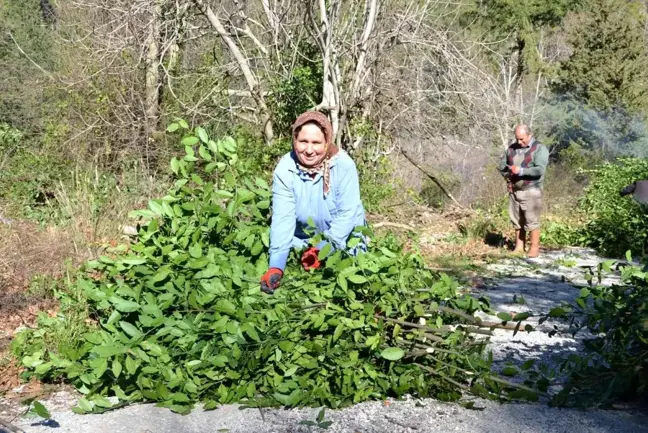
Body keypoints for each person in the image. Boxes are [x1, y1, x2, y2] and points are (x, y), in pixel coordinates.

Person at [260, 111, 366, 294]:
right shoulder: (285, 169)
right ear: (294, 140)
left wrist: (322, 250)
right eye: (303, 142)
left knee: (346, 289)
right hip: (304, 240)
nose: (309, 150)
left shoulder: (343, 166)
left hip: (345, 239)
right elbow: (283, 219)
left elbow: (348, 215)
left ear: (327, 142)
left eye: (316, 143)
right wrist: (276, 266)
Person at [497, 125, 549, 258]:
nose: (519, 142)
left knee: (531, 221)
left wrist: (521, 171)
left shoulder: (539, 149)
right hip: (514, 191)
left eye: (522, 139)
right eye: (517, 139)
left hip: (531, 190)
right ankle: (519, 246)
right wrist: (507, 178)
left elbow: (539, 170)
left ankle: (534, 247)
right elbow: (502, 167)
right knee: (516, 220)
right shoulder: (511, 149)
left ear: (529, 135)